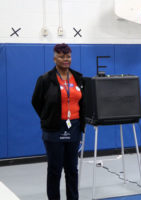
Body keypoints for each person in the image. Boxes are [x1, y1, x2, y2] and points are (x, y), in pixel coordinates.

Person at [32, 43, 85, 200]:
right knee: (55, 169)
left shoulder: (78, 78)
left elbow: (82, 102)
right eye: (61, 56)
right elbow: (36, 101)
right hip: (54, 129)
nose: (65, 59)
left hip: (73, 127)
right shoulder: (45, 79)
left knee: (72, 169)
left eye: (68, 56)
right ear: (55, 58)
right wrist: (48, 117)